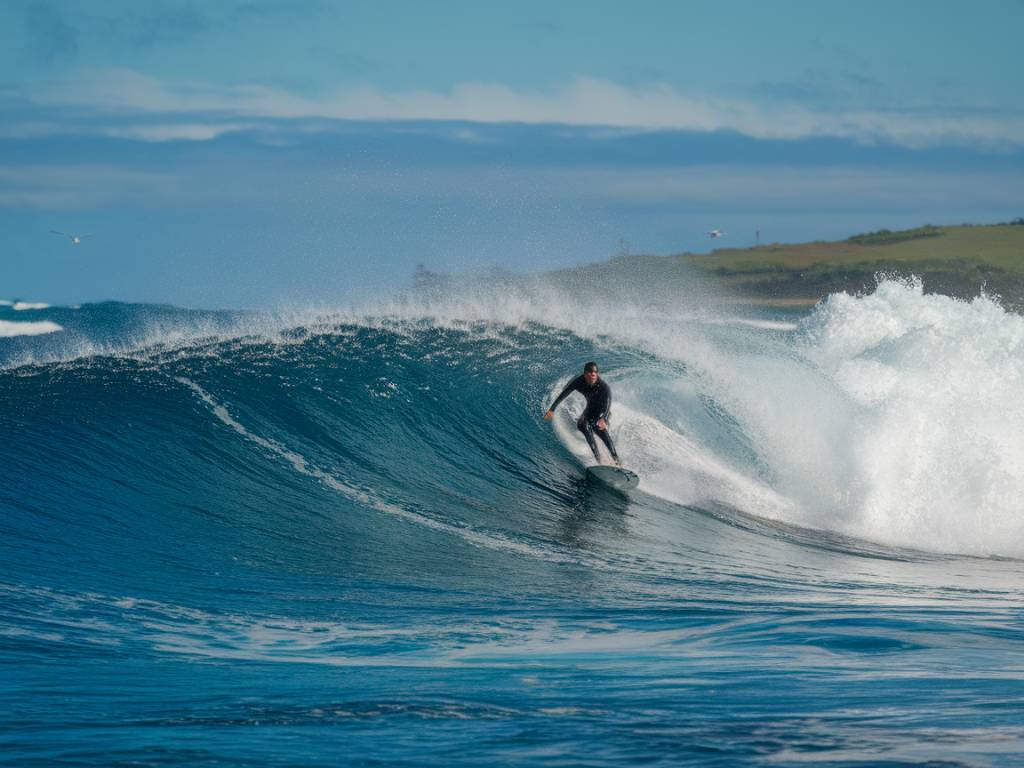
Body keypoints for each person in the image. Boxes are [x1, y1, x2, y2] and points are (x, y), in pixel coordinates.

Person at [544, 361, 620, 465]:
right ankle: (599, 460)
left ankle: (617, 461)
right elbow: (563, 394)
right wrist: (552, 409)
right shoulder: (578, 382)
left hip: (602, 413)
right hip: (590, 411)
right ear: (585, 374)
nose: (593, 375)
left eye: (595, 373)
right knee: (582, 425)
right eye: (591, 373)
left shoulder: (603, 386)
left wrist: (604, 418)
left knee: (603, 434)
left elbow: (608, 403)